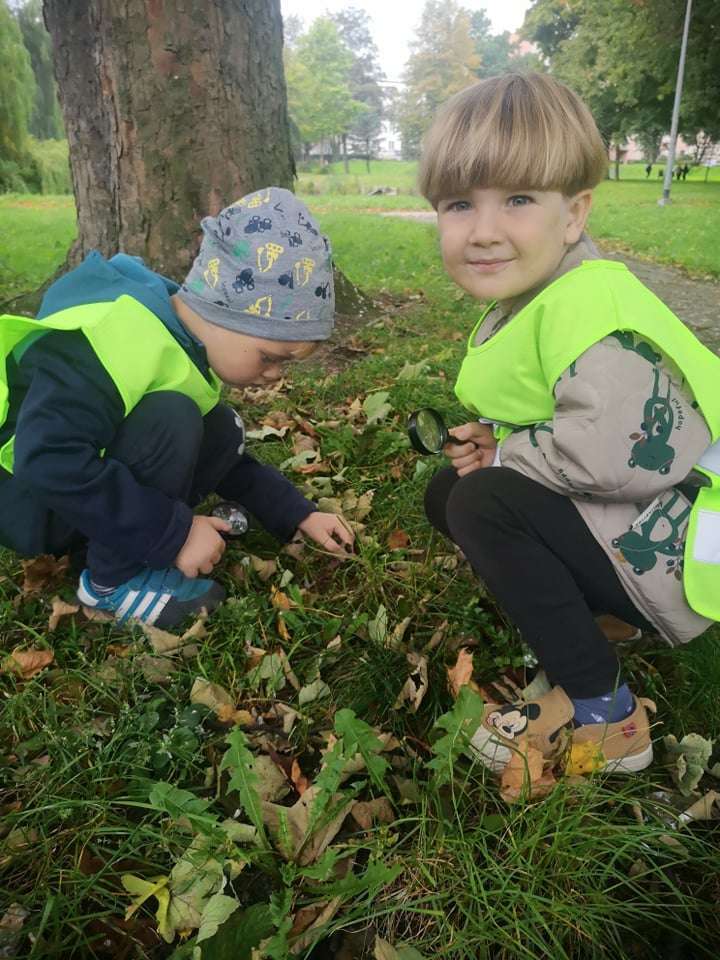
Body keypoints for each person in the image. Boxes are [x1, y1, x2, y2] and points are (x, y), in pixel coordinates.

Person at [418, 73, 720, 776]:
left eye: (519, 199)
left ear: (575, 213)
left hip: (685, 547)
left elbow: (614, 455)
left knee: (483, 502)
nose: (484, 231)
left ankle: (605, 714)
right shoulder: (547, 292)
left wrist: (506, 456)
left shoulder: (592, 312)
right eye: (459, 204)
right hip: (655, 520)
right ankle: (602, 622)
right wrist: (502, 444)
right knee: (452, 493)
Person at [0, 187, 354, 628]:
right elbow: (47, 460)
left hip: (73, 491)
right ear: (225, 312)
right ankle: (111, 584)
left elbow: (226, 462)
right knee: (174, 418)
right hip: (32, 500)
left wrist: (297, 512)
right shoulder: (115, 339)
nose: (275, 375)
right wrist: (174, 533)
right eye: (270, 356)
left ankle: (110, 542)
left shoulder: (179, 342)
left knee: (220, 427)